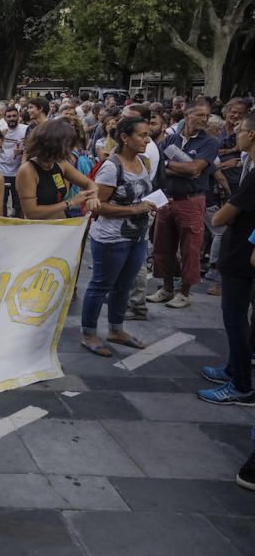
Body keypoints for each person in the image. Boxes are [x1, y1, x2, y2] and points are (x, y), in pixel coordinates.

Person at [80, 117, 157, 357]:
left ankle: (116, 329)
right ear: (125, 138)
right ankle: (89, 333)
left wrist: (152, 204)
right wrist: (135, 209)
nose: (147, 140)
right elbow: (97, 206)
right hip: (111, 238)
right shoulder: (112, 167)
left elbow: (142, 195)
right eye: (142, 135)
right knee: (101, 284)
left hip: (137, 237)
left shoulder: (142, 162)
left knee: (125, 285)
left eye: (148, 135)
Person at [200, 111, 255, 404]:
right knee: (235, 317)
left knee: (235, 319)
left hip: (243, 256)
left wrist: (223, 215)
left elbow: (222, 216)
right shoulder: (248, 164)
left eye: (241, 131)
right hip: (240, 250)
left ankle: (242, 385)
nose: (237, 136)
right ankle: (234, 367)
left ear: (252, 135)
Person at [147, 102, 219, 309]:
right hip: (167, 198)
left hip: (191, 199)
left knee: (190, 248)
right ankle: (167, 287)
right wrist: (176, 167)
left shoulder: (209, 142)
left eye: (206, 116)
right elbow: (160, 166)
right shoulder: (172, 139)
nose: (204, 119)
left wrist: (169, 165)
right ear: (187, 115)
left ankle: (184, 292)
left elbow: (196, 169)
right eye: (199, 115)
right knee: (162, 246)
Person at [16, 120, 100, 220]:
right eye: (69, 145)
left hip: (60, 226)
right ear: (55, 145)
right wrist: (70, 203)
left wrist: (93, 197)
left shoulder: (61, 164)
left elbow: (89, 184)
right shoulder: (27, 170)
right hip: (39, 229)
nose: (71, 149)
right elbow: (31, 212)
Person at [0, 107, 28, 217]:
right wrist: (0, 137)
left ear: (19, 116)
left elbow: (31, 148)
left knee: (19, 202)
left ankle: (18, 224)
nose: (12, 119)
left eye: (14, 116)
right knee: (1, 202)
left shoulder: (25, 129)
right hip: (1, 171)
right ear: (5, 118)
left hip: (18, 172)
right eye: (9, 116)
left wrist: (22, 151)